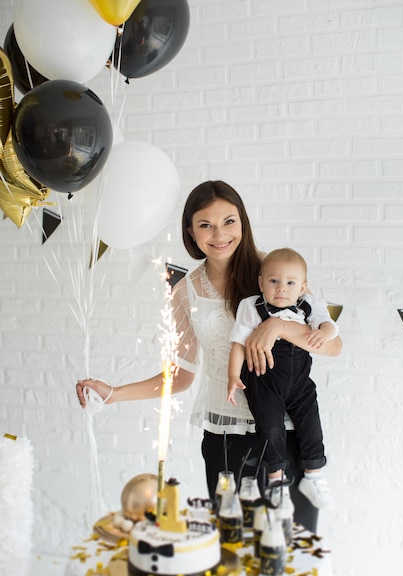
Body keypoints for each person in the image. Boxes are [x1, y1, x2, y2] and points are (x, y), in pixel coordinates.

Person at [76, 181, 342, 532]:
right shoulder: (186, 292)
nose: (220, 234)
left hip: (287, 431)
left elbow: (333, 345)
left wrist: (278, 326)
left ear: (242, 223)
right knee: (236, 550)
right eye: (206, 225)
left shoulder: (276, 274)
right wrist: (115, 393)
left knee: (293, 549)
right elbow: (182, 375)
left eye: (229, 221)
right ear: (191, 231)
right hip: (226, 437)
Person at [227, 247, 339, 510]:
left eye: (290, 283)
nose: (281, 288)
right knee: (271, 429)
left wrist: (325, 332)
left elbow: (331, 327)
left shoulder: (308, 306)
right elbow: (238, 344)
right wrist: (233, 375)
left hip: (300, 382)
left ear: (302, 286)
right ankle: (277, 482)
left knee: (311, 425)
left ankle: (312, 475)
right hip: (264, 382)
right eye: (274, 281)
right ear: (261, 282)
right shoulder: (251, 306)